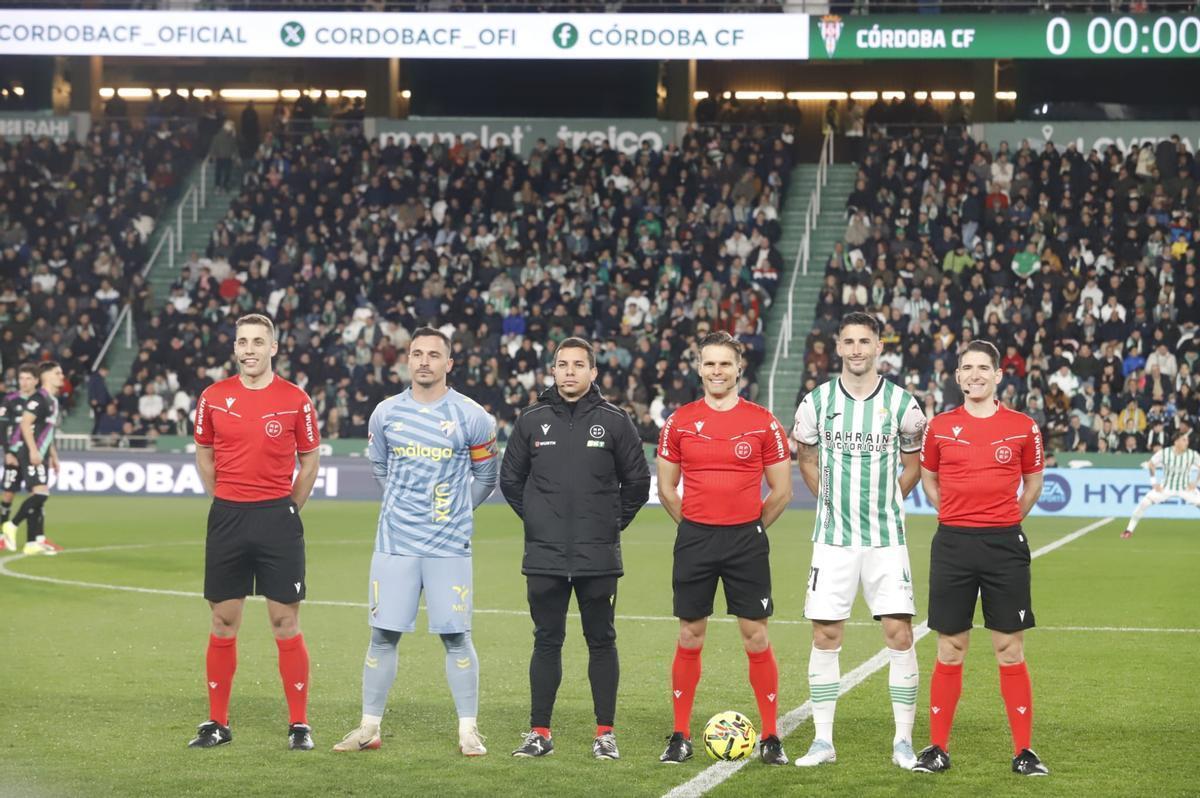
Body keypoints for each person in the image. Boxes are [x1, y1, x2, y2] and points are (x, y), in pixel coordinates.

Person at [333, 327, 498, 757]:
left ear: (449, 363)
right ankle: (369, 727)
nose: (424, 361)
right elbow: (381, 469)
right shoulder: (385, 414)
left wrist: (458, 511)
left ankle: (468, 729)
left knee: (457, 637)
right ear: (408, 360)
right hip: (395, 545)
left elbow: (486, 476)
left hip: (448, 547)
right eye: (417, 354)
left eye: (433, 355)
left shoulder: (473, 416)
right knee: (382, 636)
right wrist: (402, 508)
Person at [499, 337, 651, 760]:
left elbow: (637, 483)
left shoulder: (615, 421)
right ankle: (539, 733)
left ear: (593, 373)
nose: (569, 372)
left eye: (578, 365)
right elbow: (510, 481)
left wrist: (610, 524)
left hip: (597, 555)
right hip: (544, 556)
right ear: (552, 371)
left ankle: (605, 733)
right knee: (546, 640)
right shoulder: (530, 420)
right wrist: (537, 520)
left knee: (601, 640)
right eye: (562, 364)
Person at [791, 312, 926, 769]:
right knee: (826, 634)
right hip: (832, 539)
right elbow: (806, 456)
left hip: (886, 539)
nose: (855, 349)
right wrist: (828, 498)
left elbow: (913, 465)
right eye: (848, 341)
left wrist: (888, 499)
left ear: (878, 347)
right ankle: (823, 742)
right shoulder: (817, 402)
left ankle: (903, 742)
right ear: (838, 347)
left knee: (899, 632)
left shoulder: (905, 406)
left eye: (864, 341)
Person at [656, 331, 793, 766]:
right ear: (699, 368)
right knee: (689, 634)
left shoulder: (762, 421)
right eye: (709, 363)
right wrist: (697, 526)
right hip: (695, 538)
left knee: (755, 636)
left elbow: (782, 490)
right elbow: (665, 487)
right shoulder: (680, 421)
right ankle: (680, 733)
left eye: (725, 364)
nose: (717, 371)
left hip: (744, 541)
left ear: (739, 370)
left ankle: (771, 736)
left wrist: (749, 528)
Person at [914, 340, 1049, 776]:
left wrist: (1006, 518)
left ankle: (1024, 752)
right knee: (951, 646)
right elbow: (929, 479)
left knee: (1009, 647)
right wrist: (953, 514)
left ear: (998, 375)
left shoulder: (1023, 426)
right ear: (957, 376)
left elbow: (1032, 484)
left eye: (983, 368)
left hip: (1004, 546)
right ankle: (937, 748)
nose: (975, 375)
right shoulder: (939, 426)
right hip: (952, 545)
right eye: (967, 368)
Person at [188, 313, 322, 750]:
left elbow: (309, 461)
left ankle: (299, 724)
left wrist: (287, 509)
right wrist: (222, 497)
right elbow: (204, 453)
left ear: (273, 348)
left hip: (276, 520)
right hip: (228, 516)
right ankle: (216, 723)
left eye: (257, 342)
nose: (249, 349)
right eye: (242, 341)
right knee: (223, 620)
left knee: (285, 621)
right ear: (235, 348)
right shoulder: (213, 396)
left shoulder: (295, 399)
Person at [1, 362, 63, 555]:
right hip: (29, 453)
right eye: (57, 373)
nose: (62, 376)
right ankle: (11, 525)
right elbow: (25, 425)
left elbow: (48, 431)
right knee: (40, 494)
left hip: (40, 453)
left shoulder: (52, 400)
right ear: (45, 376)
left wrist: (53, 456)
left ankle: (32, 542)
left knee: (38, 496)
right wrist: (33, 451)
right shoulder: (39, 398)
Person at [1122, 431, 1200, 538]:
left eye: (1187, 440)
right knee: (1144, 503)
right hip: (1166, 487)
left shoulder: (1192, 454)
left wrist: (1196, 483)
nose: (1187, 442)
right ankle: (1129, 530)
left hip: (1185, 488)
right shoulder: (1165, 453)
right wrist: (1154, 482)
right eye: (1184, 440)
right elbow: (1151, 464)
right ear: (1176, 441)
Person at [0, 363, 39, 545]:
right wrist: (7, 452)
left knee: (37, 495)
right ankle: (3, 534)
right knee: (8, 494)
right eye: (21, 378)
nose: (23, 382)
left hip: (32, 455)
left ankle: (36, 538)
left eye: (28, 378)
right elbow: (2, 427)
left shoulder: (41, 401)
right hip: (14, 455)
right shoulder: (10, 399)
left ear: (36, 381)